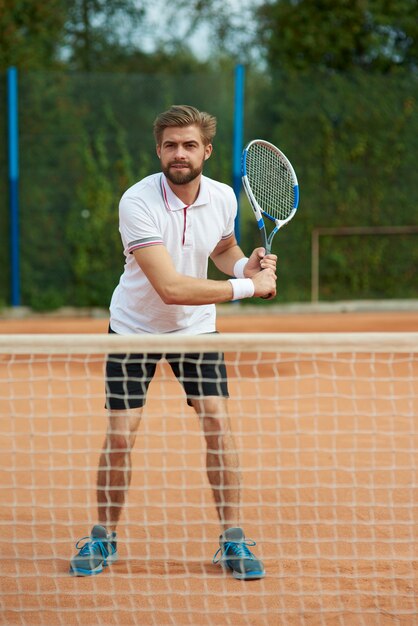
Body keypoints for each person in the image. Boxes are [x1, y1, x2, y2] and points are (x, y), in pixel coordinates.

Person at [69, 104, 277, 580]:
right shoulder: (137, 201)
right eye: (169, 145)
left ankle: (232, 540)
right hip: (133, 329)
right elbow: (171, 287)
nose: (178, 154)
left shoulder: (224, 196)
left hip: (195, 330)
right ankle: (102, 536)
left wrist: (247, 265)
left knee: (218, 426)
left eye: (188, 145)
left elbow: (223, 249)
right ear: (158, 150)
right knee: (121, 437)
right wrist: (250, 287)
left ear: (206, 150)